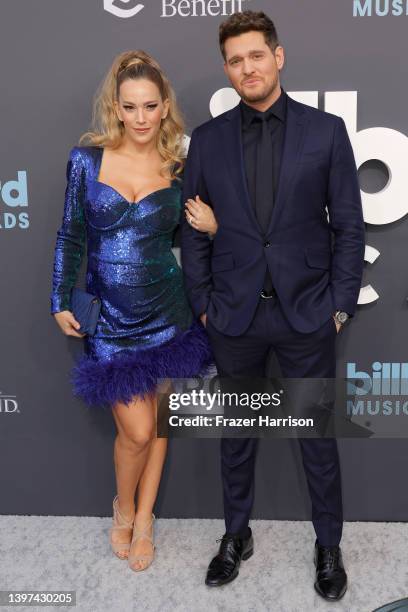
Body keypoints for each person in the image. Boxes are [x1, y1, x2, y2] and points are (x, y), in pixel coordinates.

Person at [181, 10, 365, 601]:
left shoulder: (326, 132)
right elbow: (192, 232)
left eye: (255, 55)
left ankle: (328, 545)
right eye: (235, 60)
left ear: (278, 57)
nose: (246, 68)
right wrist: (204, 303)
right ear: (227, 69)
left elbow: (349, 229)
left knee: (317, 437)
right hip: (234, 316)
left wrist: (338, 304)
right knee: (237, 436)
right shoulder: (207, 142)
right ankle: (236, 535)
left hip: (307, 314)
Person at [50, 50, 216, 572]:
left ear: (165, 107)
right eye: (130, 107)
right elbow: (70, 235)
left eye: (150, 106)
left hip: (167, 310)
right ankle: (122, 507)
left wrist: (211, 228)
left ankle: (144, 519)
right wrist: (59, 298)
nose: (141, 117)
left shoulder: (180, 166)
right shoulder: (86, 161)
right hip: (111, 319)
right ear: (115, 108)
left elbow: (190, 238)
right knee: (137, 431)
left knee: (160, 423)